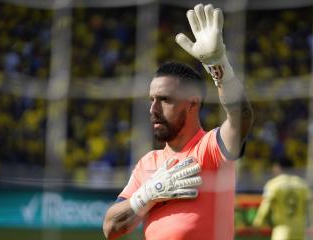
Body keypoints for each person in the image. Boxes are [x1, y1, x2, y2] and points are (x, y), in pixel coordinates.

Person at [103, 3, 253, 240]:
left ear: (192, 103)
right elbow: (110, 228)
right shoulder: (147, 163)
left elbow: (241, 118)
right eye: (152, 99)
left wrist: (219, 65)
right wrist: (149, 193)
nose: (153, 108)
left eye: (164, 100)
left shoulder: (211, 148)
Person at [253, 161, 313, 240]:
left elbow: (266, 206)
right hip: (300, 231)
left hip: (282, 230)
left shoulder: (274, 184)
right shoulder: (302, 184)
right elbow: (310, 207)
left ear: (278, 168)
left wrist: (258, 222)